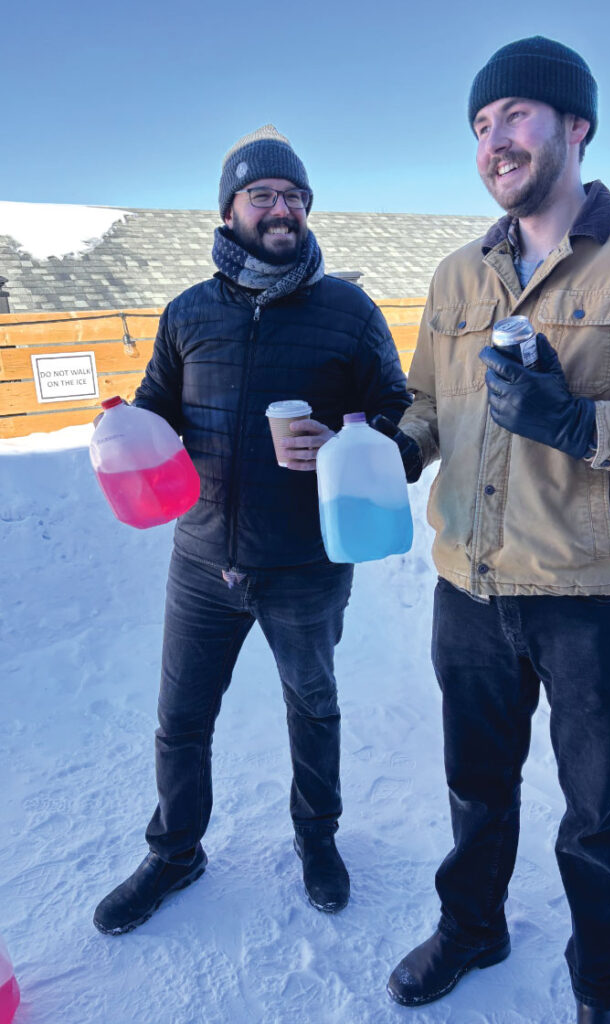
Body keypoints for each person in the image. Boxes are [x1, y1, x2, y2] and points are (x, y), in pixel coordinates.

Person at [381, 36, 610, 1024]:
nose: (494, 140)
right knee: (474, 786)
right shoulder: (456, 275)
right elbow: (424, 403)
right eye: (480, 127)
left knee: (596, 815)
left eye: (515, 117)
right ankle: (473, 926)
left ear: (576, 126)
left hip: (597, 595)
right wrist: (392, 446)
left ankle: (597, 985)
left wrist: (579, 425)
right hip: (468, 583)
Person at [93, 124, 411, 935]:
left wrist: (348, 439)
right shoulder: (187, 313)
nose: (283, 210)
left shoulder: (347, 308)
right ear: (230, 210)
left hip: (304, 560)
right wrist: (125, 429)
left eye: (295, 198)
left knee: (312, 705)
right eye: (264, 196)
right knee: (181, 716)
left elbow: (398, 407)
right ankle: (174, 851)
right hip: (201, 559)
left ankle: (317, 840)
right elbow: (159, 408)